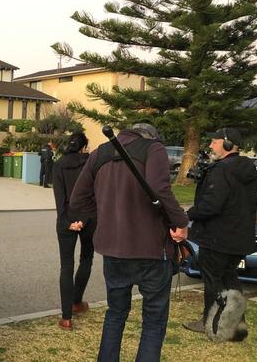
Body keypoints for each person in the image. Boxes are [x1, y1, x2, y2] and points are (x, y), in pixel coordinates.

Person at [69, 123, 188, 362]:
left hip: (113, 250)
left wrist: (106, 214)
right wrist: (181, 221)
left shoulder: (99, 153)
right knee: (154, 320)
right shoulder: (153, 149)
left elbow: (77, 200)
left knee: (116, 313)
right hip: (151, 250)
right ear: (151, 137)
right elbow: (160, 188)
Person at [183, 128, 257, 335]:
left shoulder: (222, 170)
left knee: (213, 281)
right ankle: (236, 324)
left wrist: (189, 214)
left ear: (227, 144)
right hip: (238, 237)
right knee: (230, 279)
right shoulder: (247, 169)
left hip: (217, 238)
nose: (210, 146)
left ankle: (211, 323)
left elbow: (211, 206)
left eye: (214, 142)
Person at [52, 132, 96, 331]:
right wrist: (84, 220)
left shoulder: (59, 165)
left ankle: (66, 317)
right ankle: (76, 302)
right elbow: (96, 193)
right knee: (86, 259)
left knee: (66, 266)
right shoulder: (90, 163)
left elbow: (59, 199)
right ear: (84, 146)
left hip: (67, 219)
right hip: (90, 218)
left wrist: (67, 221)